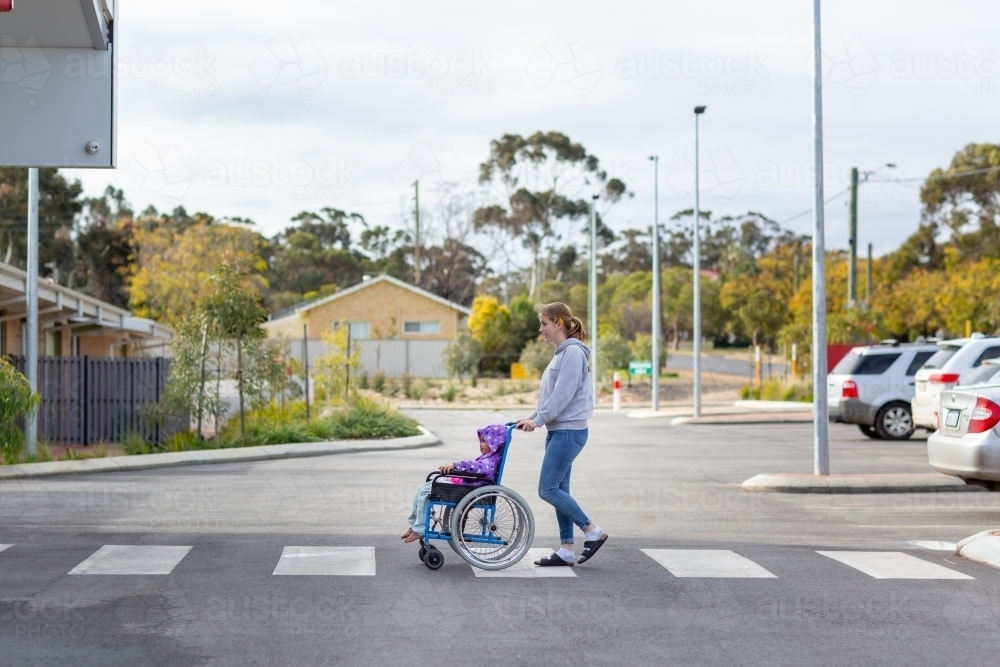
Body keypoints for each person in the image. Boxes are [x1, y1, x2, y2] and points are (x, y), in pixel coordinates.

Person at [516, 302, 608, 567]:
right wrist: (532, 418)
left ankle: (592, 531)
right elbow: (550, 396)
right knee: (559, 490)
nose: (541, 329)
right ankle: (567, 549)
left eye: (544, 323)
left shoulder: (572, 354)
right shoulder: (561, 354)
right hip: (560, 431)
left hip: (568, 432)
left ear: (558, 323)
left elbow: (563, 396)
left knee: (547, 489)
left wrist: (540, 420)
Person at [401, 424, 508, 543]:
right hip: (465, 486)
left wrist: (455, 466)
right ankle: (414, 525)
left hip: (469, 491)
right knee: (421, 489)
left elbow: (474, 467)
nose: (480, 444)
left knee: (425, 491)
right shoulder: (489, 458)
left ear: (495, 443)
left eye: (484, 441)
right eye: (480, 440)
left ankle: (420, 528)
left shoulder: (489, 462)